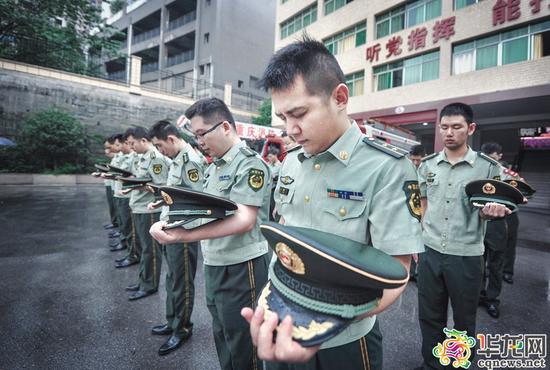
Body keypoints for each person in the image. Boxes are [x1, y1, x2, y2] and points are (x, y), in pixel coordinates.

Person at [240, 36, 424, 369]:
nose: (291, 130)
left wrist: (319, 325)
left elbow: (397, 273)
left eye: (299, 113)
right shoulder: (293, 162)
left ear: (339, 97)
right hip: (279, 316)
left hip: (345, 341)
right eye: (283, 118)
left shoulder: (387, 168)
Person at [150, 97, 272, 370]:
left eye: (202, 134)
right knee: (223, 333)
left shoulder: (249, 165)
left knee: (243, 342)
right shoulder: (215, 167)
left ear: (225, 127)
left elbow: (244, 220)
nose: (199, 142)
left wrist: (182, 236)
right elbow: (204, 209)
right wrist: (170, 222)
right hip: (216, 261)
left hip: (242, 267)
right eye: (195, 136)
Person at [416, 103, 509, 370]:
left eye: (456, 127)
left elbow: (492, 208)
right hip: (430, 251)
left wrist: (490, 213)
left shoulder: (488, 169)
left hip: (466, 255)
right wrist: (420, 235)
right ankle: (432, 363)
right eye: (444, 127)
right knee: (430, 316)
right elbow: (422, 202)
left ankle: (457, 364)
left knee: (464, 320)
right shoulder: (428, 165)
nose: (449, 133)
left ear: (470, 129)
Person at [147, 120, 204, 355]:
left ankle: (181, 328)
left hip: (182, 231)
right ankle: (172, 321)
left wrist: (177, 226)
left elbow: (196, 200)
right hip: (169, 227)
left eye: (160, 146)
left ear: (171, 139)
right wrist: (161, 199)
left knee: (182, 282)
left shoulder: (191, 161)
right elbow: (177, 192)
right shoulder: (177, 159)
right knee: (172, 279)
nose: (160, 152)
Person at [479, 142, 525, 318]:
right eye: (486, 158)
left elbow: (523, 191)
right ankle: (480, 295)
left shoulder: (506, 173)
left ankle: (492, 299)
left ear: (498, 157)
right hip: (478, 223)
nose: (490, 162)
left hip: (498, 223)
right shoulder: (477, 171)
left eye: (492, 158)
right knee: (479, 265)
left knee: (496, 265)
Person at [125, 126, 170, 301]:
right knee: (144, 248)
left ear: (144, 140)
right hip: (139, 207)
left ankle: (149, 284)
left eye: (133, 143)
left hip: (150, 209)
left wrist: (136, 184)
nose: (131, 147)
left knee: (150, 250)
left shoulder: (155, 158)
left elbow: (159, 188)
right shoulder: (143, 157)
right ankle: (143, 279)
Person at [408, 144, 426, 282]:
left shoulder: (430, 168)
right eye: (413, 159)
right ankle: (411, 272)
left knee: (422, 244)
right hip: (410, 211)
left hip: (425, 212)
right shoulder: (406, 168)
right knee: (410, 242)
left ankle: (421, 273)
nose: (415, 163)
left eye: (418, 160)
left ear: (423, 157)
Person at [102, 136, 118, 231]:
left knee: (120, 210)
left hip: (118, 188)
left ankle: (118, 227)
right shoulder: (117, 158)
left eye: (109, 147)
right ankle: (115, 223)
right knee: (113, 207)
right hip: (113, 186)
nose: (107, 151)